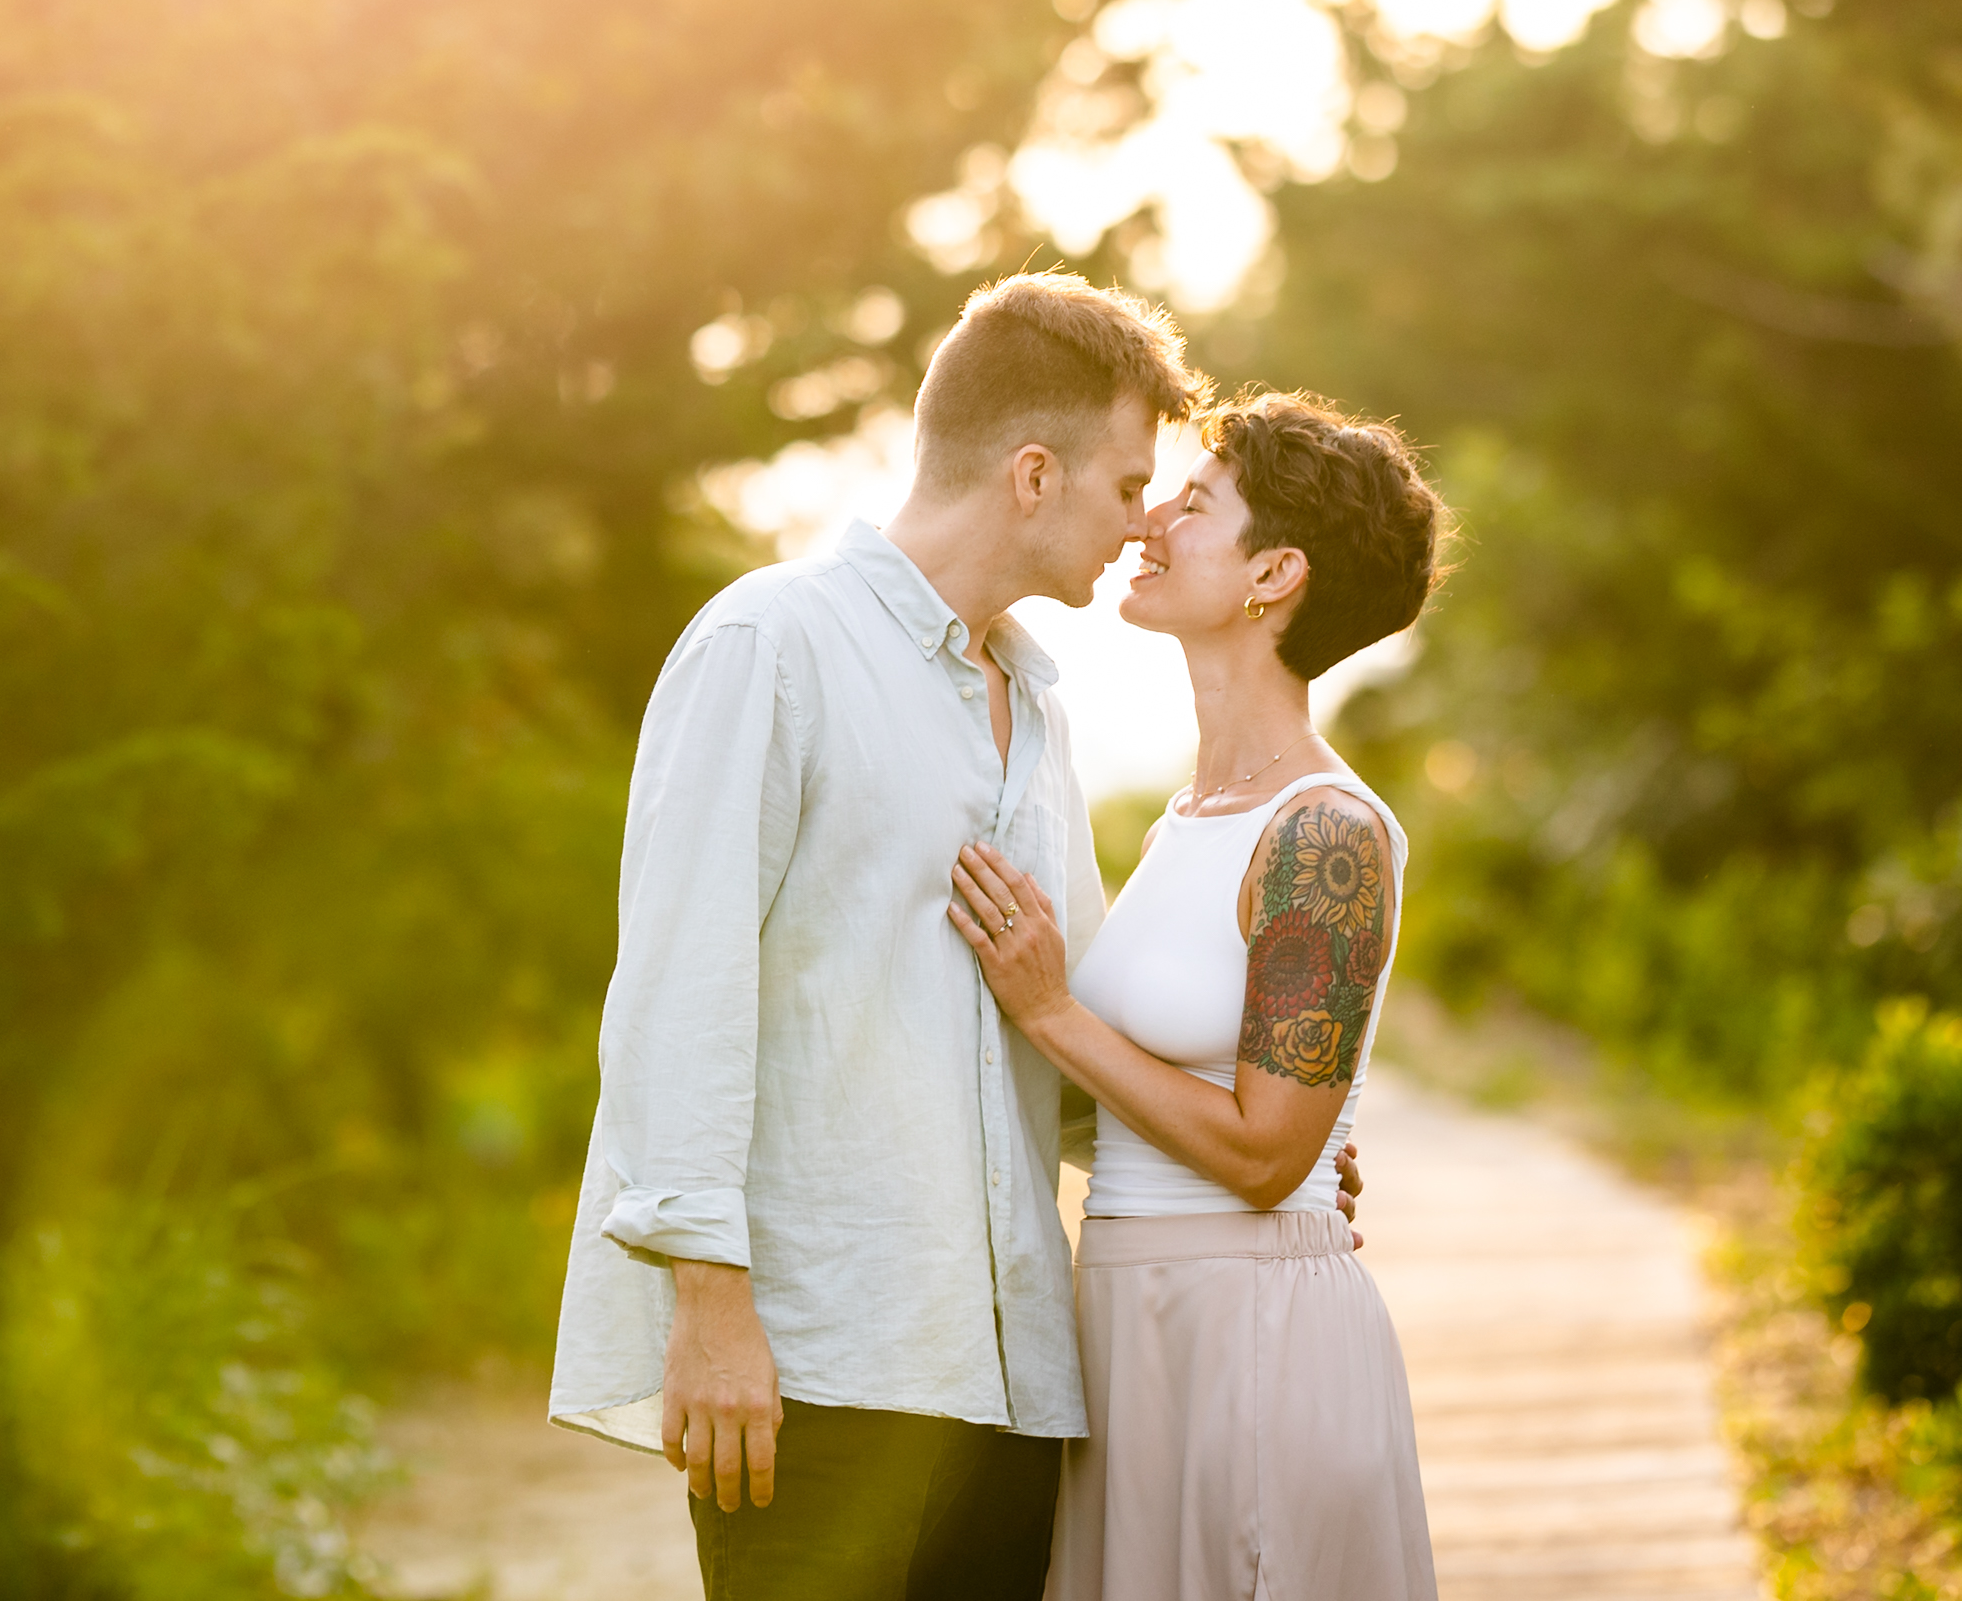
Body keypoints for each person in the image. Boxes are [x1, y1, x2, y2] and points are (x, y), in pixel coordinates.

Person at [550, 274, 1356, 1601]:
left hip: (1016, 1382)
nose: (1144, 520)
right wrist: (707, 1308)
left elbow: (1063, 1031)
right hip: (818, 1365)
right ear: (1032, 473)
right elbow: (681, 990)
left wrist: (1257, 1145)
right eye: (1124, 482)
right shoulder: (771, 643)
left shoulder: (1037, 709)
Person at [948, 391, 1448, 1601]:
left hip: (1251, 1341)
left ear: (1273, 572)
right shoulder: (1189, 815)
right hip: (1133, 1326)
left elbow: (1267, 1154)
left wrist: (1051, 1011)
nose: (1149, 520)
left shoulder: (1322, 831)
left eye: (1195, 501)